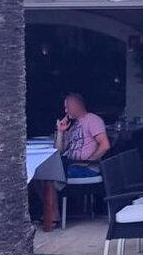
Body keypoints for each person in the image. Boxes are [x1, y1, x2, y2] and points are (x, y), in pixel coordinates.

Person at [36, 93, 109, 231]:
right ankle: (52, 213)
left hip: (86, 167)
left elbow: (105, 145)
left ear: (76, 105)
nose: (65, 111)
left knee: (47, 175)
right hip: (70, 165)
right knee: (39, 175)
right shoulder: (74, 125)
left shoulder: (93, 120)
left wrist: (89, 160)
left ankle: (53, 215)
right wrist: (61, 131)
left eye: (67, 107)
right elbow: (59, 150)